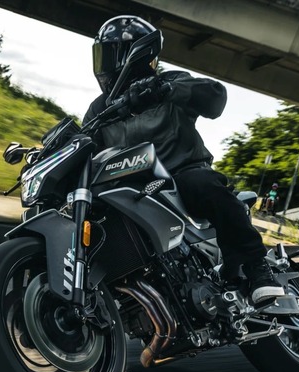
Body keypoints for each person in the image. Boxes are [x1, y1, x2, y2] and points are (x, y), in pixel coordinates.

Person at [83, 15, 284, 302]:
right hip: (131, 187)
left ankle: (257, 267)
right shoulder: (99, 109)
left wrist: (168, 90)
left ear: (134, 54)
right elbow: (88, 145)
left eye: (109, 52)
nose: (102, 62)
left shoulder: (168, 82)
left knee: (203, 184)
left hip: (179, 175)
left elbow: (216, 98)